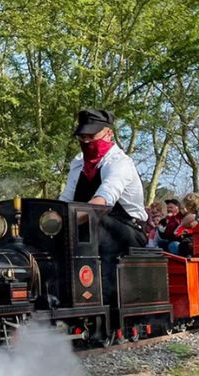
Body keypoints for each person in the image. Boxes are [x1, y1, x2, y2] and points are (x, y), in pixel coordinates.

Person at [58, 108, 147, 305]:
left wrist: (64, 222)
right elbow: (65, 199)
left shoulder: (120, 163)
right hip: (86, 224)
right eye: (82, 136)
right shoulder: (78, 163)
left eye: (91, 135)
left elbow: (103, 200)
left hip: (127, 229)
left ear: (108, 134)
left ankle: (102, 302)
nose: (86, 141)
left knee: (95, 228)